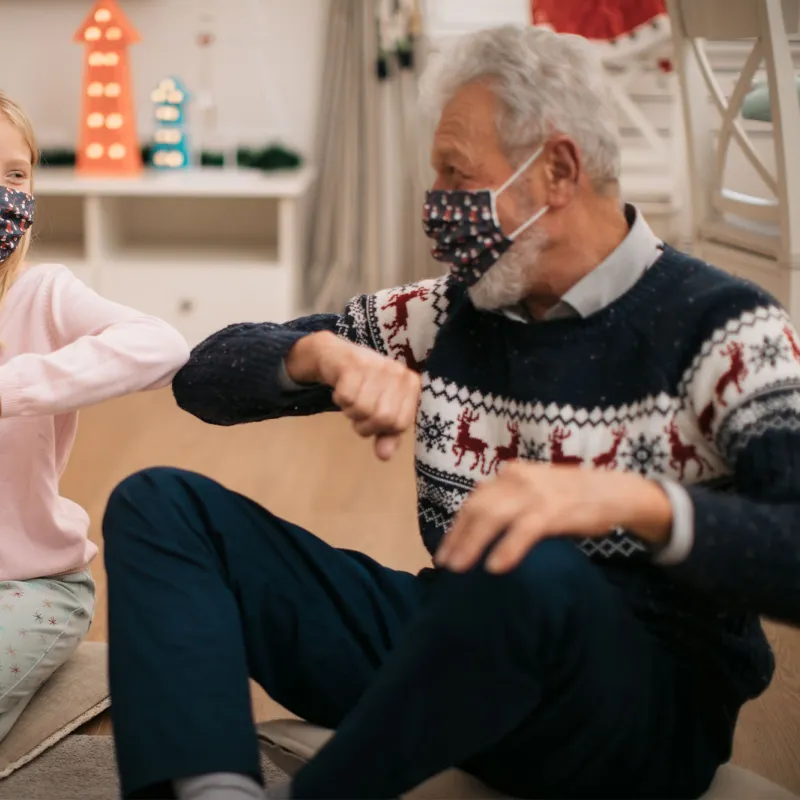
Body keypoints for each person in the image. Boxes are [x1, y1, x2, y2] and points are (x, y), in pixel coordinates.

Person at [102, 25, 800, 800]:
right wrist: (319, 357)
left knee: (527, 567)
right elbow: (202, 377)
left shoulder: (729, 327)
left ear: (558, 171)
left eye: (455, 175)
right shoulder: (454, 310)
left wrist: (631, 501)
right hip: (461, 651)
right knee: (160, 505)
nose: (437, 207)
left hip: (639, 708)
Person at [0, 92, 189, 741]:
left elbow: (163, 347)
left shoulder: (43, 293)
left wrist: (10, 387)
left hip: (32, 588)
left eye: (16, 175)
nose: (5, 192)